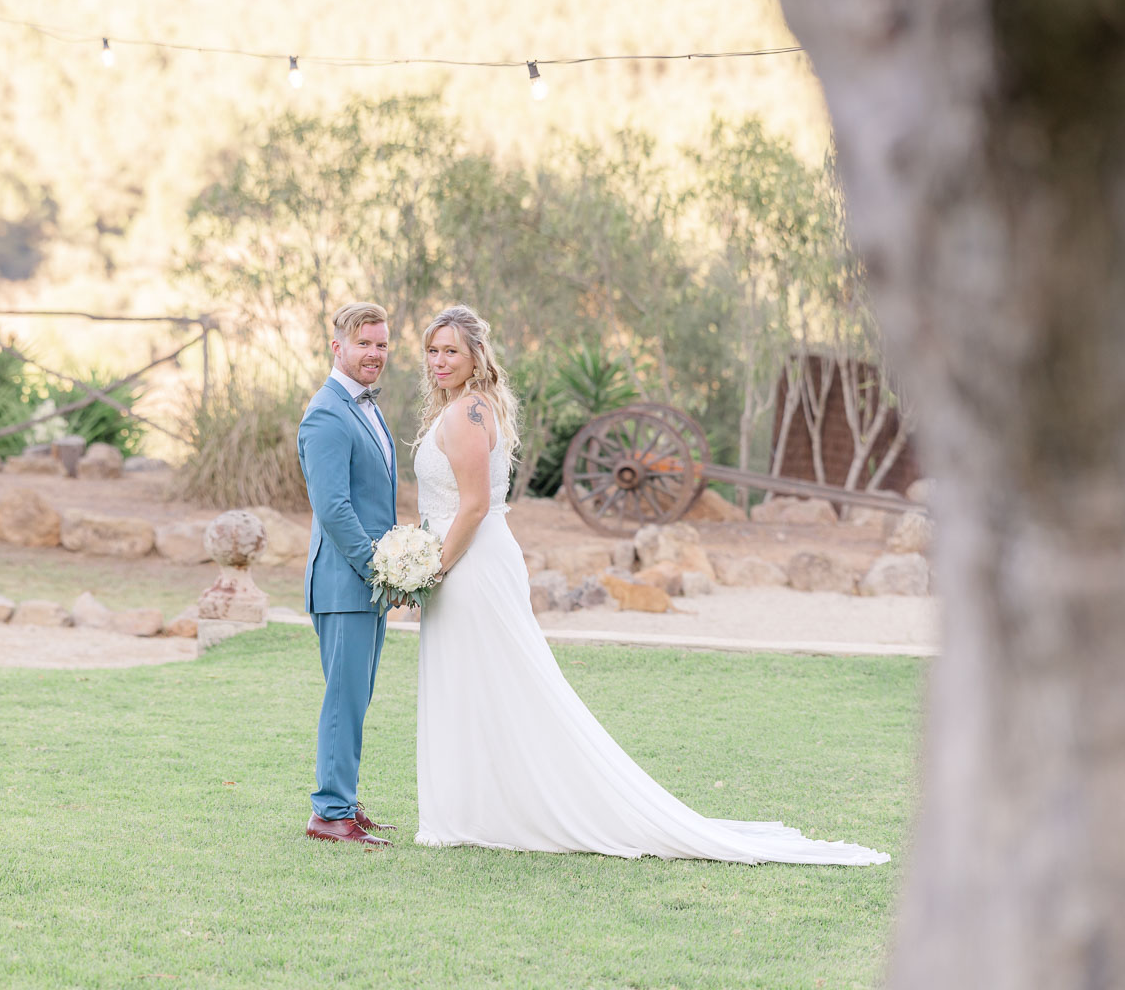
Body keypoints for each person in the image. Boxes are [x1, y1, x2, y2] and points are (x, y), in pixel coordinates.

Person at [412, 305, 889, 865]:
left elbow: (472, 507)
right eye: (433, 351)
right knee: (476, 682)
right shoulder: (463, 408)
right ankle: (478, 805)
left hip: (468, 563)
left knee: (500, 681)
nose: (440, 361)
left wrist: (434, 567)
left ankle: (494, 806)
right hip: (470, 558)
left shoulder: (467, 413)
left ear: (475, 357)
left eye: (452, 351)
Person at [297, 302, 400, 846]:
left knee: (355, 698)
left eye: (382, 344)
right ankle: (329, 814)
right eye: (365, 344)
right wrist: (378, 568)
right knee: (344, 698)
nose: (375, 354)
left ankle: (345, 802)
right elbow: (333, 507)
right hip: (345, 584)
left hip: (366, 586)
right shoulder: (327, 413)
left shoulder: (363, 407)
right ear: (337, 347)